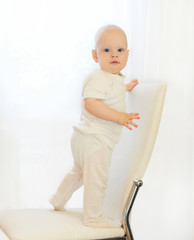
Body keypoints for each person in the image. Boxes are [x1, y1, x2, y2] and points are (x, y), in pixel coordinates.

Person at [49, 24, 140, 228]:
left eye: (120, 50)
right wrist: (119, 117)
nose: (113, 55)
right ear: (95, 55)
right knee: (97, 179)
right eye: (106, 50)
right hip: (95, 139)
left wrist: (124, 88)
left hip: (85, 137)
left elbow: (109, 93)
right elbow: (91, 103)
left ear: (127, 54)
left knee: (79, 173)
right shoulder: (97, 76)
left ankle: (58, 199)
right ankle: (93, 217)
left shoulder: (112, 79)